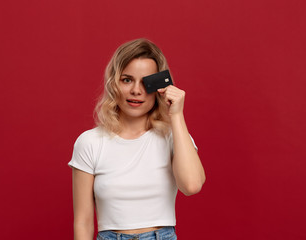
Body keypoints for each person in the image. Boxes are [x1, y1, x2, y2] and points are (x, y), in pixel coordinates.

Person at [68, 38, 206, 240]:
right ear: (114, 83)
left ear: (159, 85)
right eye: (127, 80)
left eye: (146, 81)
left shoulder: (173, 136)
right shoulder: (90, 142)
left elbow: (192, 185)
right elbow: (83, 221)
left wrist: (176, 115)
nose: (136, 90)